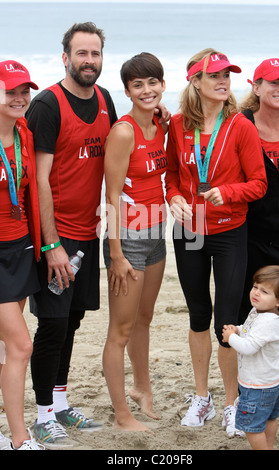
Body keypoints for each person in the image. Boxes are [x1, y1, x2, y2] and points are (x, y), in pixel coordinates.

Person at [165, 48, 267, 436]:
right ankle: (201, 397)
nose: (224, 81)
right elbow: (172, 174)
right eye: (214, 75)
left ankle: (230, 402)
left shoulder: (240, 125)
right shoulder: (177, 124)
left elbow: (258, 183)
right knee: (196, 315)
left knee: (226, 319)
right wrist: (173, 196)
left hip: (228, 232)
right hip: (189, 230)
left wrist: (229, 192)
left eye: (227, 75)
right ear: (195, 82)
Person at [25, 22, 118, 449]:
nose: (89, 61)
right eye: (81, 53)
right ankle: (44, 413)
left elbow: (120, 155)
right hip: (54, 237)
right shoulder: (46, 105)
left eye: (95, 54)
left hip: (88, 232)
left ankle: (60, 402)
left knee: (73, 321)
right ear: (65, 57)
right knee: (52, 323)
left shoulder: (105, 100)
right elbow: (38, 181)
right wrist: (50, 245)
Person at [102, 52, 168, 432]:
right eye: (138, 85)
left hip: (156, 231)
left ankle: (143, 389)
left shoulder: (161, 124)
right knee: (120, 330)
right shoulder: (124, 131)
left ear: (162, 84)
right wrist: (115, 254)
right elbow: (111, 197)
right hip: (127, 238)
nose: (147, 90)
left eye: (153, 82)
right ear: (127, 90)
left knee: (144, 318)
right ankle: (123, 414)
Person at [238, 58, 279, 423]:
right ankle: (245, 395)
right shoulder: (241, 124)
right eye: (274, 82)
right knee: (246, 317)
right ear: (256, 86)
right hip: (252, 238)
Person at [0, 60, 43, 450]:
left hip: (21, 246)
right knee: (21, 345)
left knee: (2, 347)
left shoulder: (24, 133)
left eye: (23, 90)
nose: (19, 97)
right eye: (10, 91)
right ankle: (19, 438)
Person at [223, 265, 279, 450]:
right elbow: (250, 330)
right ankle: (269, 446)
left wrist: (230, 338)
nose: (256, 293)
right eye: (255, 287)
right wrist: (239, 330)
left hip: (257, 386)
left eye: (264, 291)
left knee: (252, 428)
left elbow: (249, 347)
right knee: (270, 418)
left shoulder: (267, 323)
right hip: (272, 382)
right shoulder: (260, 311)